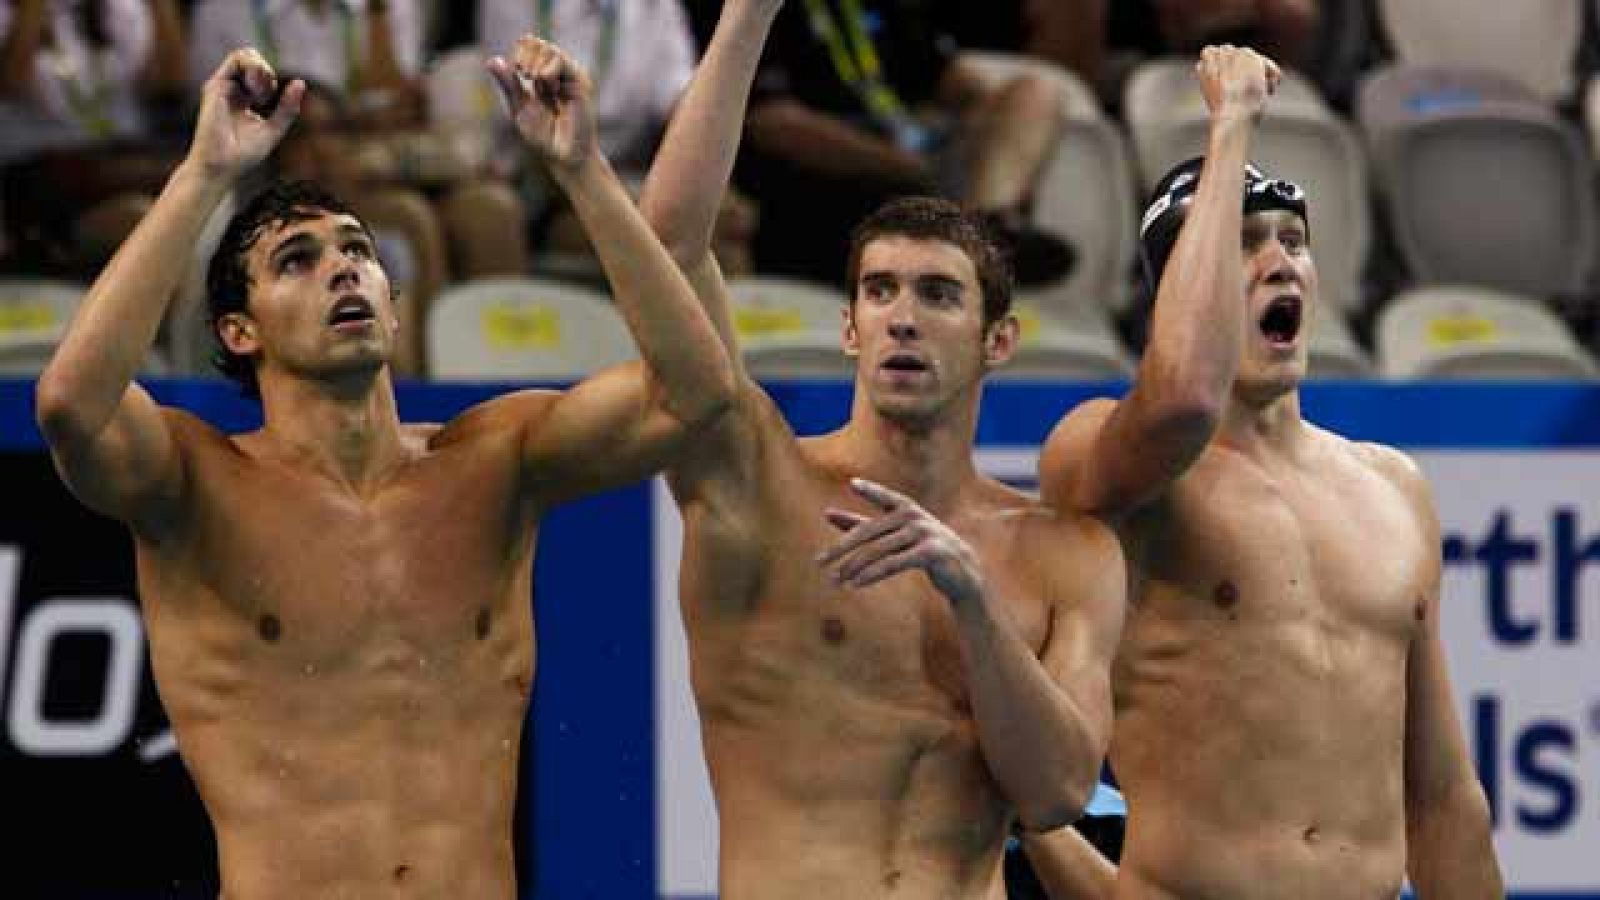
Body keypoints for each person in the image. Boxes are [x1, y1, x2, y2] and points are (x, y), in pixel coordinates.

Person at [33, 37, 733, 896]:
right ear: (239, 333)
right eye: (299, 260)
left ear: (394, 307)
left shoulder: (495, 458)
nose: (343, 271)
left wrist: (584, 171)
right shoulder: (194, 483)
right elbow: (71, 404)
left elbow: (696, 393)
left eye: (356, 252)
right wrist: (202, 176)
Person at [638, 1, 1124, 895]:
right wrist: (748, 16)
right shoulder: (759, 483)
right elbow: (667, 244)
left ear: (998, 340)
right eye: (881, 292)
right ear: (852, 330)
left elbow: (1057, 791)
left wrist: (974, 605)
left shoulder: (1066, 553)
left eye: (938, 294)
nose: (903, 315)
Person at [1032, 45, 1502, 898]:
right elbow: (1179, 399)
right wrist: (1230, 128)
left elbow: (1439, 795)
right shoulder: (1108, 460)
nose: (1280, 260)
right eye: (1244, 243)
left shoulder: (1393, 487)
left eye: (1293, 241)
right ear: (1179, 288)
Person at [683, 0, 1073, 288]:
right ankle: (967, 244)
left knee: (1035, 94)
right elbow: (773, 123)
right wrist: (907, 165)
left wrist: (989, 124)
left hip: (919, 162)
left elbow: (948, 80)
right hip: (813, 187)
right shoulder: (744, 9)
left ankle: (988, 227)